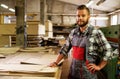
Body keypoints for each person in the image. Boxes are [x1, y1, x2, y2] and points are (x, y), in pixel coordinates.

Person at [49, 5, 112, 79]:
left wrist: (99, 66)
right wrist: (56, 62)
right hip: (73, 74)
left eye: (83, 15)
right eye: (78, 16)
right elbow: (64, 49)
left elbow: (108, 50)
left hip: (88, 76)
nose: (80, 18)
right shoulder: (73, 33)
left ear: (88, 17)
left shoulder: (95, 33)